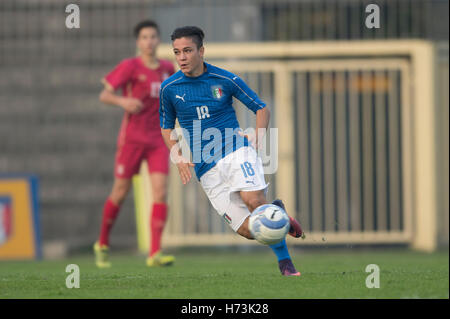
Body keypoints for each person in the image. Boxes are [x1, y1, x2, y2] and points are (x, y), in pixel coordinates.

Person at [159, 26, 304, 276]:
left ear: (201, 51)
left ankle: (285, 263)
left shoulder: (225, 79)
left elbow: (261, 108)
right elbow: (165, 127)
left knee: (253, 201)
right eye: (176, 52)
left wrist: (257, 138)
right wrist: (178, 155)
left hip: (235, 150)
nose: (181, 57)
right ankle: (278, 213)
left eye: (187, 51)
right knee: (249, 230)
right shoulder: (169, 88)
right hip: (206, 169)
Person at [94, 20, 175, 268]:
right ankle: (103, 243)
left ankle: (154, 253)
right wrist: (124, 102)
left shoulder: (168, 69)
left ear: (158, 40)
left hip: (158, 140)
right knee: (120, 192)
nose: (149, 41)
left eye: (153, 36)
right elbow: (104, 94)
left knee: (160, 191)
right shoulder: (130, 66)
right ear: (137, 42)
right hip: (132, 140)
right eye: (144, 37)